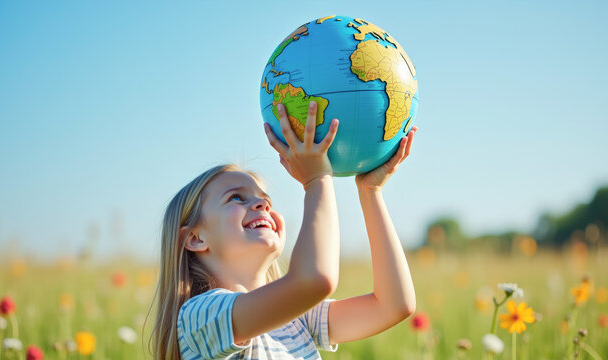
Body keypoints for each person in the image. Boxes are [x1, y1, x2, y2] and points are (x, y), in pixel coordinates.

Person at [150, 101, 418, 359]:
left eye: (265, 201)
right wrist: (316, 180)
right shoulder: (199, 317)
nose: (260, 205)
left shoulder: (297, 319)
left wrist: (370, 192)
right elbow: (314, 280)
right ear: (195, 238)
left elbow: (393, 305)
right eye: (235, 198)